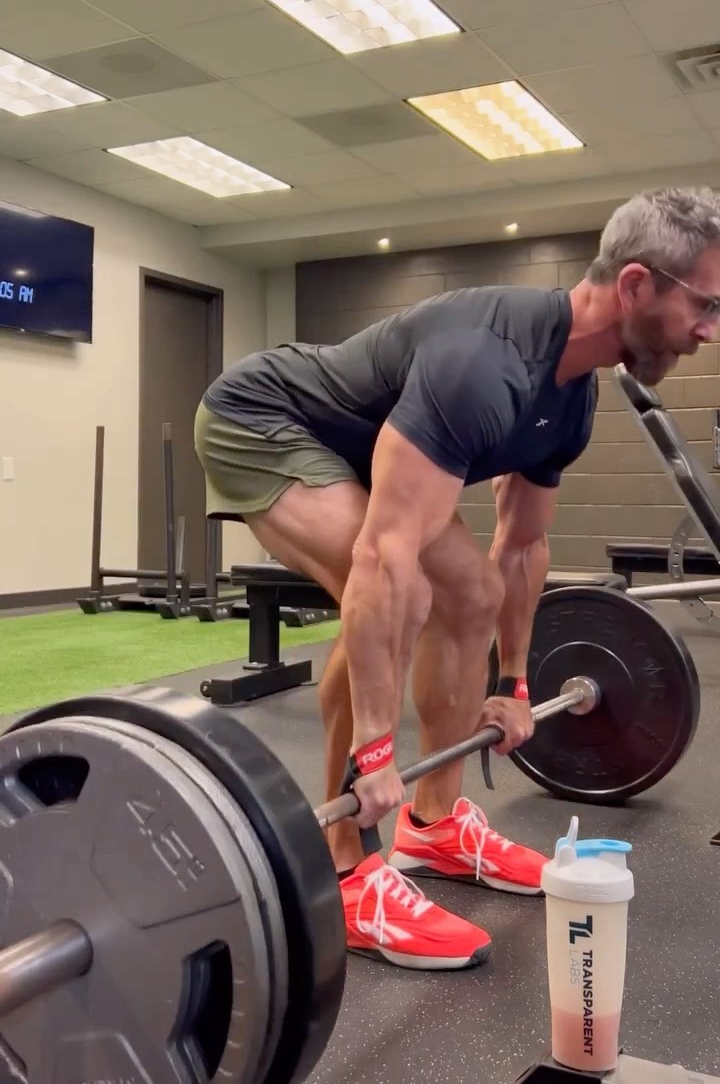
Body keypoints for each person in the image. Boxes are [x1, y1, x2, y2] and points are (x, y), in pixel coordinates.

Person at [194, 185, 720, 970]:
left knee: (470, 592)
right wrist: (376, 749)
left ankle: (434, 825)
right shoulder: (486, 361)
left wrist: (513, 684)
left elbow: (521, 549)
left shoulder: (570, 401)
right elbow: (383, 559)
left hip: (357, 450)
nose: (710, 330)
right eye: (705, 305)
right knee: (401, 590)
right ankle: (345, 868)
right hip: (264, 421)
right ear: (637, 285)